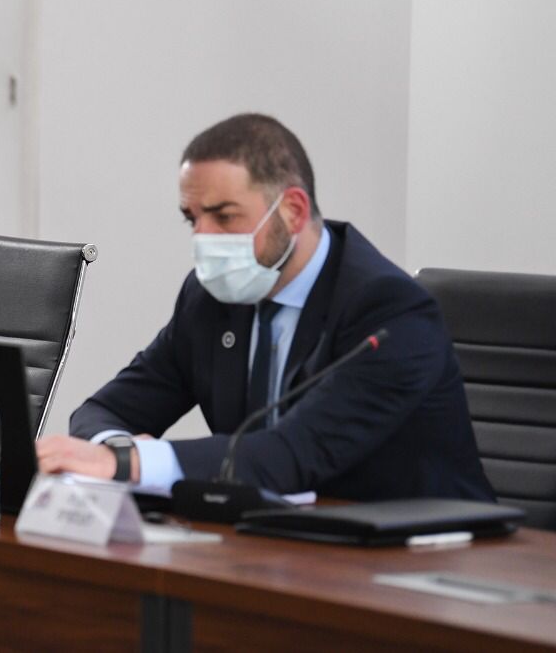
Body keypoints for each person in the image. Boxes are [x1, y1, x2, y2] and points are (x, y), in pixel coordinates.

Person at [36, 113, 494, 502]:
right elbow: (104, 410)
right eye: (192, 219)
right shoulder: (209, 297)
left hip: (423, 556)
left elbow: (292, 454)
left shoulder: (389, 310)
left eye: (224, 216)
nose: (202, 238)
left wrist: (128, 463)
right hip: (276, 543)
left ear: (292, 210)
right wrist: (112, 447)